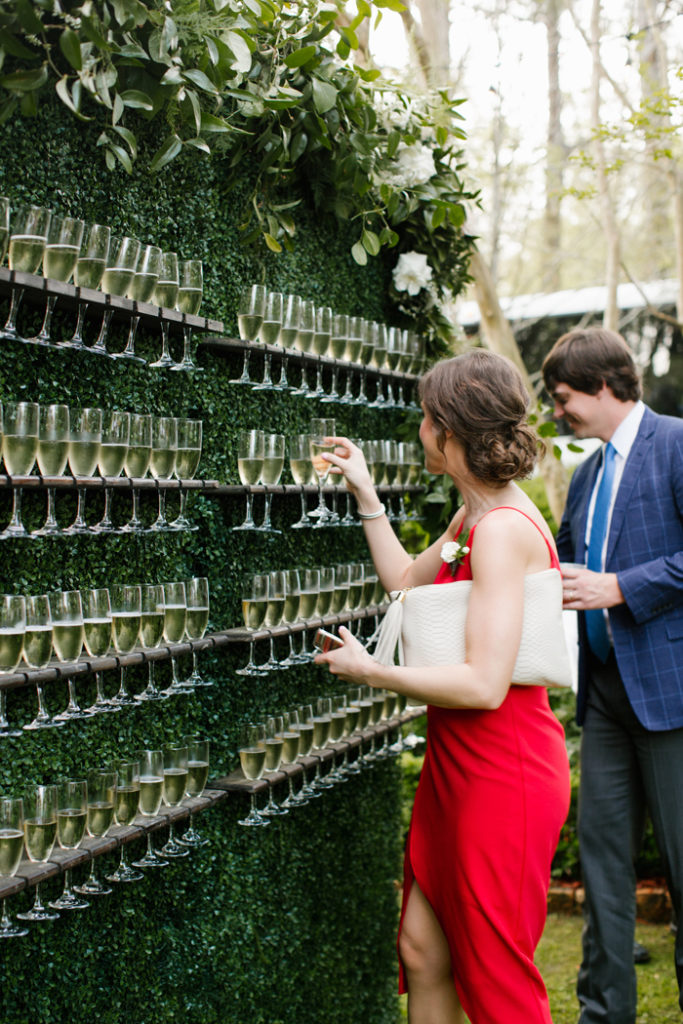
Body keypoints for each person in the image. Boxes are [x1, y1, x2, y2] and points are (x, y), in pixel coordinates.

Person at [315, 349, 570, 1024]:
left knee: (495, 978)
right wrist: (366, 494)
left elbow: (486, 684)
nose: (418, 430)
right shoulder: (472, 516)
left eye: (425, 418)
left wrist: (373, 671)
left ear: (448, 430)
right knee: (423, 950)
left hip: (502, 773)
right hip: (455, 764)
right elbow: (404, 582)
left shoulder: (501, 531)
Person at [542, 326, 683, 1024]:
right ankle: (602, 1016)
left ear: (600, 386)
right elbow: (557, 564)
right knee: (600, 876)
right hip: (601, 700)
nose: (557, 412)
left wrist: (619, 587)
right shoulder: (585, 473)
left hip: (672, 698)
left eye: (562, 398)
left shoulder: (678, 444)